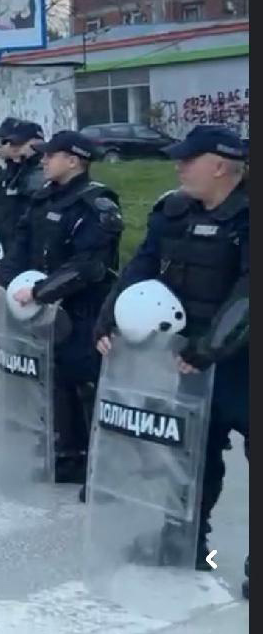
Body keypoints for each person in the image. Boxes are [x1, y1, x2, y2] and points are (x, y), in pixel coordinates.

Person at [94, 125, 248, 582]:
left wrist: (209, 349)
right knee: (191, 456)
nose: (178, 166)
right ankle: (185, 543)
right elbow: (140, 267)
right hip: (194, 362)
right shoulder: (174, 211)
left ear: (220, 166)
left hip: (236, 357)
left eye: (188, 159)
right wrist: (111, 317)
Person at [0, 130, 123, 487]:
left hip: (81, 307)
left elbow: (89, 264)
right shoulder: (42, 198)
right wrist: (0, 281)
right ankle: (66, 452)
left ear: (74, 160)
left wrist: (41, 291)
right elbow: (19, 245)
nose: (44, 160)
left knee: (84, 383)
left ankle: (97, 461)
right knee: (53, 377)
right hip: (40, 307)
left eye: (51, 155)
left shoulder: (96, 204)